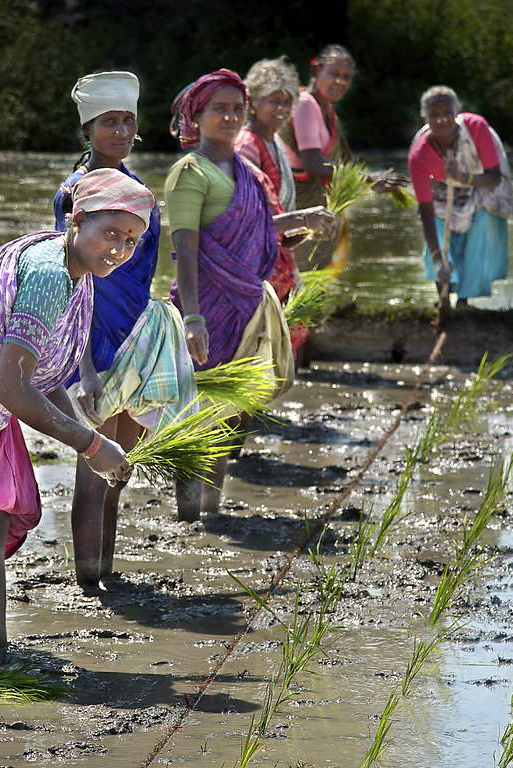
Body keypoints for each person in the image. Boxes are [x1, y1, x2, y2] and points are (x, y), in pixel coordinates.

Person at [0, 168, 152, 658]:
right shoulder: (54, 276)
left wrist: (81, 423)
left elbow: (32, 378)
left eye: (132, 240)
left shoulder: (68, 265)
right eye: (110, 233)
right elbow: (11, 386)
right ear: (76, 220)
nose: (118, 249)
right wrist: (92, 444)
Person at [53, 71, 199, 593]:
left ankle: (105, 574)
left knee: (120, 469)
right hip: (94, 343)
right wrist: (86, 365)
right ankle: (88, 585)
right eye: (107, 121)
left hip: (138, 336)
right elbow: (71, 277)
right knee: (93, 469)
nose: (119, 130)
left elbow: (144, 272)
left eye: (127, 121)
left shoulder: (140, 192)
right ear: (87, 129)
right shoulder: (73, 193)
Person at [167, 69, 330, 514]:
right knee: (197, 409)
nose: (231, 116)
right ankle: (187, 512)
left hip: (245, 305)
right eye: (219, 109)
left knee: (226, 408)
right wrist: (194, 318)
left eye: (237, 108)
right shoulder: (189, 171)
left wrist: (304, 218)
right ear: (196, 116)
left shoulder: (246, 170)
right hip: (207, 306)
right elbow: (186, 247)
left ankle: (212, 508)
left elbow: (257, 231)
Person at [235, 56, 334, 360]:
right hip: (252, 264)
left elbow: (275, 211)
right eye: (272, 101)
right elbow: (246, 218)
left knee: (278, 337)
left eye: (286, 102)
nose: (280, 108)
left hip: (274, 257)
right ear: (251, 102)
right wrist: (303, 218)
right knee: (260, 339)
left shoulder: (274, 142)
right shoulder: (246, 146)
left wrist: (294, 233)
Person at [279, 44, 406, 273]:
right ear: (316, 72)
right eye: (333, 74)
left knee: (308, 278)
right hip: (296, 201)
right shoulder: (306, 105)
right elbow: (314, 164)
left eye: (345, 77)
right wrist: (368, 179)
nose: (340, 81)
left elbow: (338, 161)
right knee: (299, 276)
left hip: (308, 202)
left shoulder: (325, 109)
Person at [407, 85, 513, 310]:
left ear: (457, 112)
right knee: (438, 232)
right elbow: (427, 213)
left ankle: (465, 302)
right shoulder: (419, 155)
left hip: (477, 188)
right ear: (424, 117)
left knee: (480, 225)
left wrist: (463, 177)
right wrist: (439, 262)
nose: (441, 120)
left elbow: (494, 178)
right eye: (434, 115)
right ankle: (444, 299)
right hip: (439, 198)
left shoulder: (476, 129)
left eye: (447, 113)